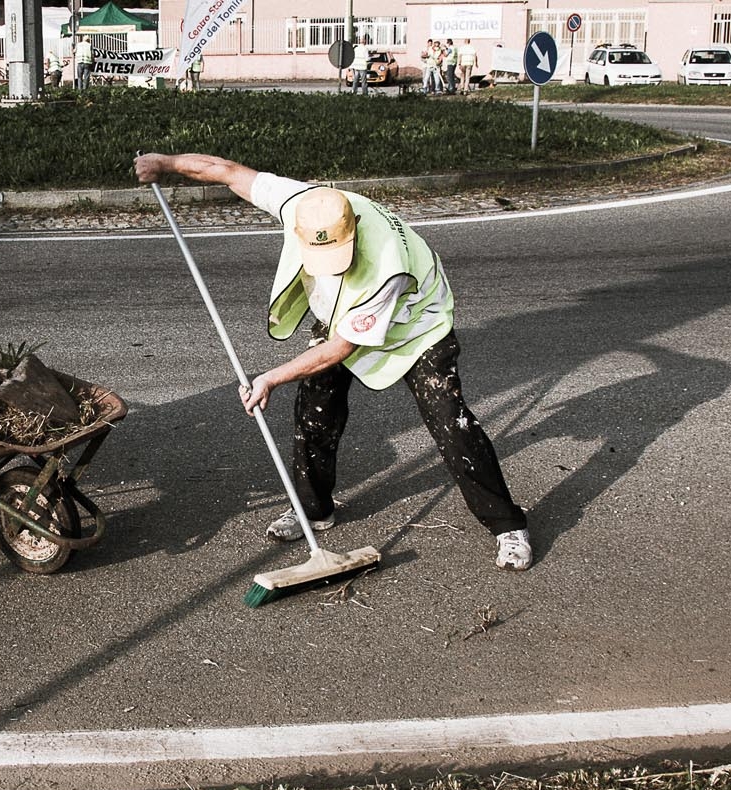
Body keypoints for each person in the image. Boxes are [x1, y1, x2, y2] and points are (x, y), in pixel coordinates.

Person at [133, 151, 534, 571]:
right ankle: (313, 509)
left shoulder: (386, 267)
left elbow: (341, 348)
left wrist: (270, 378)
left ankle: (508, 525)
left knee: (452, 425)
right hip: (342, 317)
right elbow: (228, 172)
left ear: (354, 228)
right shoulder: (302, 203)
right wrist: (167, 163)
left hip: (416, 328)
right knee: (315, 414)